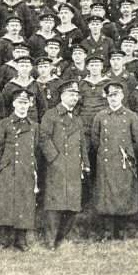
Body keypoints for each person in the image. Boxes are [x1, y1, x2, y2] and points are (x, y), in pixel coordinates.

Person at [39, 80, 90, 249]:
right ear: (62, 96)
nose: (74, 98)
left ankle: (61, 237)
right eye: (70, 94)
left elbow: (83, 143)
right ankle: (50, 241)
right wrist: (54, 159)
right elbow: (44, 137)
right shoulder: (51, 115)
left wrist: (85, 164)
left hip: (75, 167)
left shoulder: (77, 118)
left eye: (76, 95)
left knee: (73, 205)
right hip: (57, 166)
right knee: (55, 205)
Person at [91, 81, 138, 241]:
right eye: (110, 95)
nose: (113, 98)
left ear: (122, 96)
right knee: (106, 195)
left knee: (122, 194)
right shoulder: (100, 116)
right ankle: (107, 231)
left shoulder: (131, 116)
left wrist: (127, 154)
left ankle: (120, 230)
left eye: (116, 95)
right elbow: (95, 140)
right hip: (106, 163)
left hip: (123, 162)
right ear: (106, 98)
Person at [0, 89, 41, 250]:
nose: (22, 106)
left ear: (30, 104)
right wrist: (5, 165)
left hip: (26, 168)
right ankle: (3, 239)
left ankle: (21, 239)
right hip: (8, 168)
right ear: (14, 104)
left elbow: (35, 148)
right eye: (19, 103)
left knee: (24, 202)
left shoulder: (34, 126)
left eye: (25, 103)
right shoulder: (5, 123)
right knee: (5, 203)